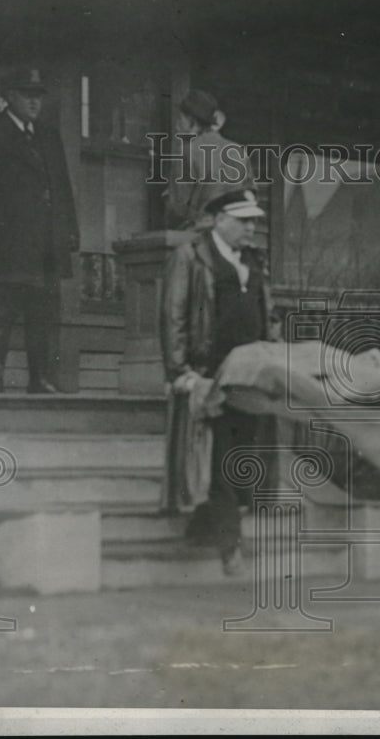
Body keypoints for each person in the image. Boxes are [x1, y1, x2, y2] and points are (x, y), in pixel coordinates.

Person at [160, 189, 273, 576]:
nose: (251, 228)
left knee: (243, 458)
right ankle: (230, 547)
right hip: (211, 376)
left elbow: (264, 314)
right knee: (225, 459)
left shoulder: (253, 261)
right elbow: (174, 315)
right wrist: (180, 372)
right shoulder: (191, 257)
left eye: (254, 221)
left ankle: (202, 526)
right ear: (220, 219)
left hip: (251, 377)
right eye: (244, 221)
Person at [0, 67, 80, 394]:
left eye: (38, 96)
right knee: (4, 308)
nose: (34, 102)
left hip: (45, 244)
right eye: (27, 95)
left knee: (43, 310)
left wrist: (69, 231)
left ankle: (39, 378)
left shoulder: (48, 135)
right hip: (7, 241)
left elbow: (62, 188)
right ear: (9, 96)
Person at [164, 89, 255, 233]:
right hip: (232, 231)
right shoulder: (239, 151)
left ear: (192, 121)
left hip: (202, 233)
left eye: (180, 119)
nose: (177, 125)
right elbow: (249, 195)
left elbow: (177, 208)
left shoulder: (187, 151)